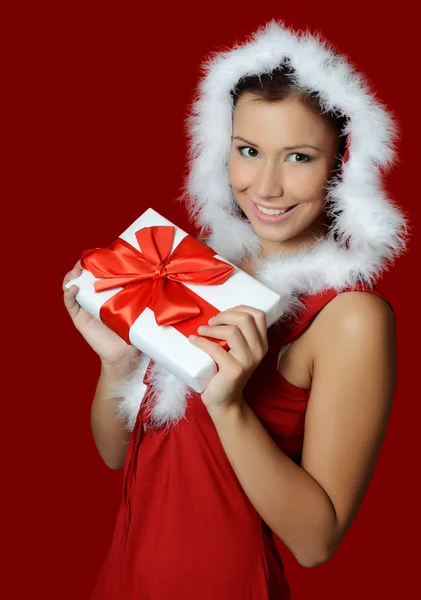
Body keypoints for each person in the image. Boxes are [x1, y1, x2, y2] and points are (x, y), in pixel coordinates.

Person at [62, 19, 409, 599]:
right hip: (121, 581)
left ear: (342, 167)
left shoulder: (351, 317)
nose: (267, 186)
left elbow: (316, 542)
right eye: (249, 151)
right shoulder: (199, 274)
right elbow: (116, 455)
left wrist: (228, 407)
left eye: (298, 157)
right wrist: (119, 365)